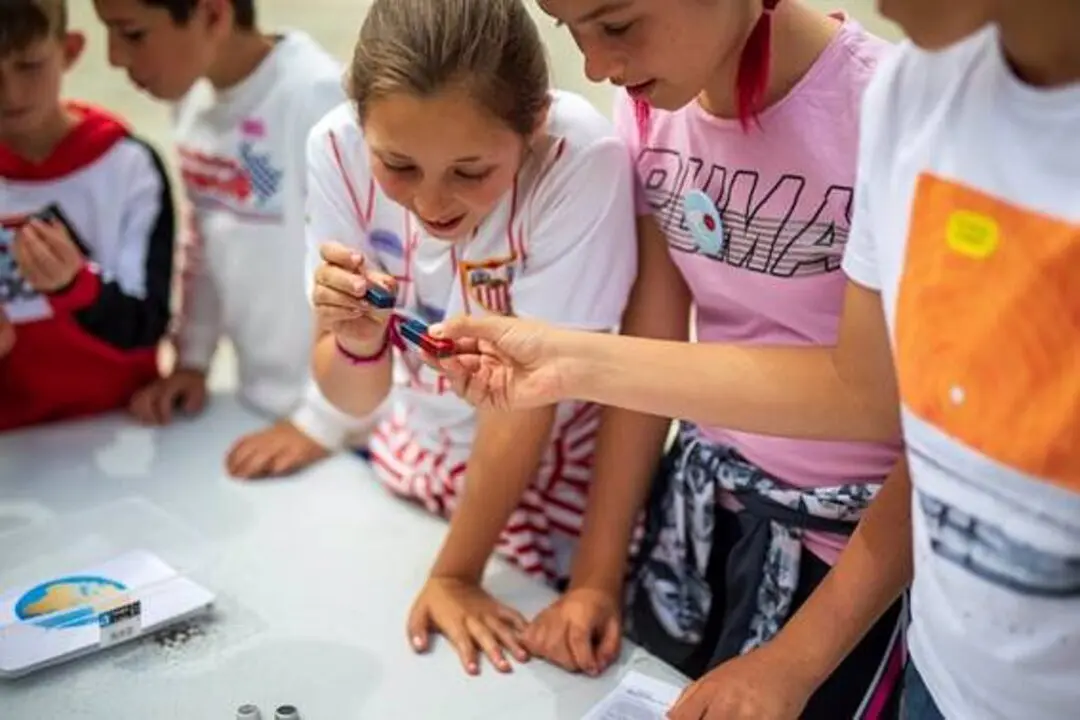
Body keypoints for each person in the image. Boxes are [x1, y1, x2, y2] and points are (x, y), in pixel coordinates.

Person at [432, 0, 1080, 718]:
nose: (594, 66)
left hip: (858, 561)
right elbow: (653, 354)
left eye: (616, 26)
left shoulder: (886, 102)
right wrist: (596, 575)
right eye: (569, 30)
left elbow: (908, 420)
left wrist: (795, 658)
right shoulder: (654, 110)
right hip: (703, 517)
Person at [307, 0, 636, 677]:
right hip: (409, 458)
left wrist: (456, 574)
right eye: (398, 166)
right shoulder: (334, 149)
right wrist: (359, 341)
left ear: (534, 123)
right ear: (360, 120)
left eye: (470, 171)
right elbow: (355, 397)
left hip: (544, 487)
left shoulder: (581, 160)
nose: (431, 205)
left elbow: (531, 399)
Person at [93, 0, 365, 478]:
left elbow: (371, 273)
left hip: (352, 427)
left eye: (132, 34)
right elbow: (205, 241)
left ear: (214, 16)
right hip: (262, 407)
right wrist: (193, 359)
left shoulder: (316, 97)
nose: (114, 57)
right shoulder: (192, 99)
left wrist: (323, 422)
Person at [0, 0, 174, 432]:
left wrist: (75, 285)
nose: (11, 93)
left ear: (71, 50)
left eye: (29, 65)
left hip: (124, 424)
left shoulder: (128, 166)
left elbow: (147, 322)